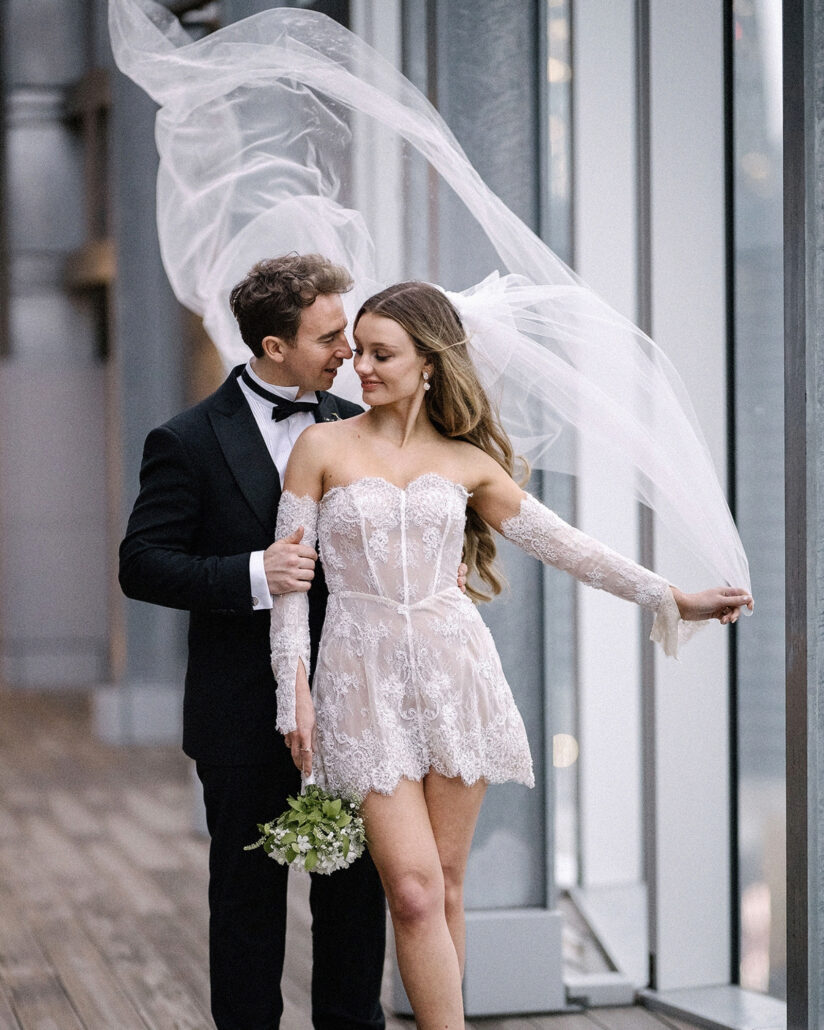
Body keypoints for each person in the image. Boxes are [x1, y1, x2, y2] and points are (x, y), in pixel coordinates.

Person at [270, 281, 754, 1030]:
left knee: (452, 885)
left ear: (429, 362)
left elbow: (566, 545)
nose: (359, 365)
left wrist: (670, 596)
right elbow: (291, 584)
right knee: (414, 889)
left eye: (380, 353)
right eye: (358, 350)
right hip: (357, 684)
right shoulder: (321, 446)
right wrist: (290, 690)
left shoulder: (468, 462)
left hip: (456, 674)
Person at [118, 254, 388, 1030]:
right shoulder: (188, 438)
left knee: (354, 895)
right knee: (245, 900)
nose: (348, 349)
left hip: (349, 700)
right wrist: (254, 571)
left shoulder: (356, 425)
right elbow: (142, 565)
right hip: (239, 711)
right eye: (330, 335)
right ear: (275, 346)